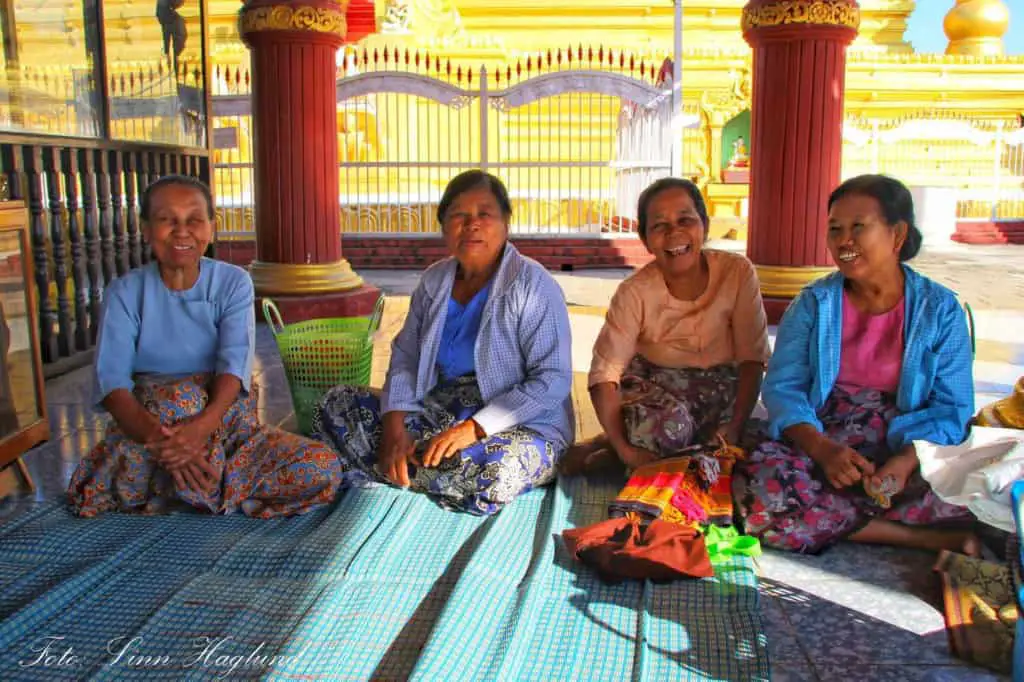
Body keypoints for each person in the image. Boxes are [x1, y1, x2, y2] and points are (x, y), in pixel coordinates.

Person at [68, 175, 342, 518]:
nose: (182, 231)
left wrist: (199, 431)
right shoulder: (125, 292)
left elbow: (233, 366)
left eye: (194, 220)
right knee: (176, 400)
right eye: (167, 220)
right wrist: (165, 442)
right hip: (150, 435)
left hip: (225, 427)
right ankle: (214, 489)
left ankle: (190, 489)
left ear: (211, 228)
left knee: (322, 465)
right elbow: (112, 384)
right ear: (146, 229)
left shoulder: (232, 282)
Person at [735, 174, 979, 555]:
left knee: (973, 489)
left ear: (897, 235)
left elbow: (953, 406)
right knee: (764, 486)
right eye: (835, 229)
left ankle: (833, 518)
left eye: (858, 227)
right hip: (825, 435)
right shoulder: (814, 304)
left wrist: (904, 462)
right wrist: (821, 449)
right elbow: (784, 386)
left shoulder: (941, 311)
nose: (843, 241)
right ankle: (923, 538)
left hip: (906, 437)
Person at [312, 170, 574, 515]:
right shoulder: (435, 281)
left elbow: (553, 379)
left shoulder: (533, 285)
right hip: (442, 410)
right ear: (443, 227)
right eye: (459, 216)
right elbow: (406, 356)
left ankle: (399, 468)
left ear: (506, 222)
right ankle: (413, 465)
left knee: (496, 470)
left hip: (518, 422)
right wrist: (394, 429)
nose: (472, 225)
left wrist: (475, 429)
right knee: (335, 404)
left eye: (485, 214)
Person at [560, 177, 770, 475]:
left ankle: (615, 449)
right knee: (671, 429)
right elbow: (604, 376)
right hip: (658, 393)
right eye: (659, 226)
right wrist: (627, 451)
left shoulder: (737, 273)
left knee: (760, 446)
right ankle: (624, 448)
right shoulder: (635, 292)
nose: (675, 233)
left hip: (725, 391)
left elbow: (753, 357)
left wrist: (734, 427)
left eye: (686, 219)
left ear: (704, 225)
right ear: (644, 238)